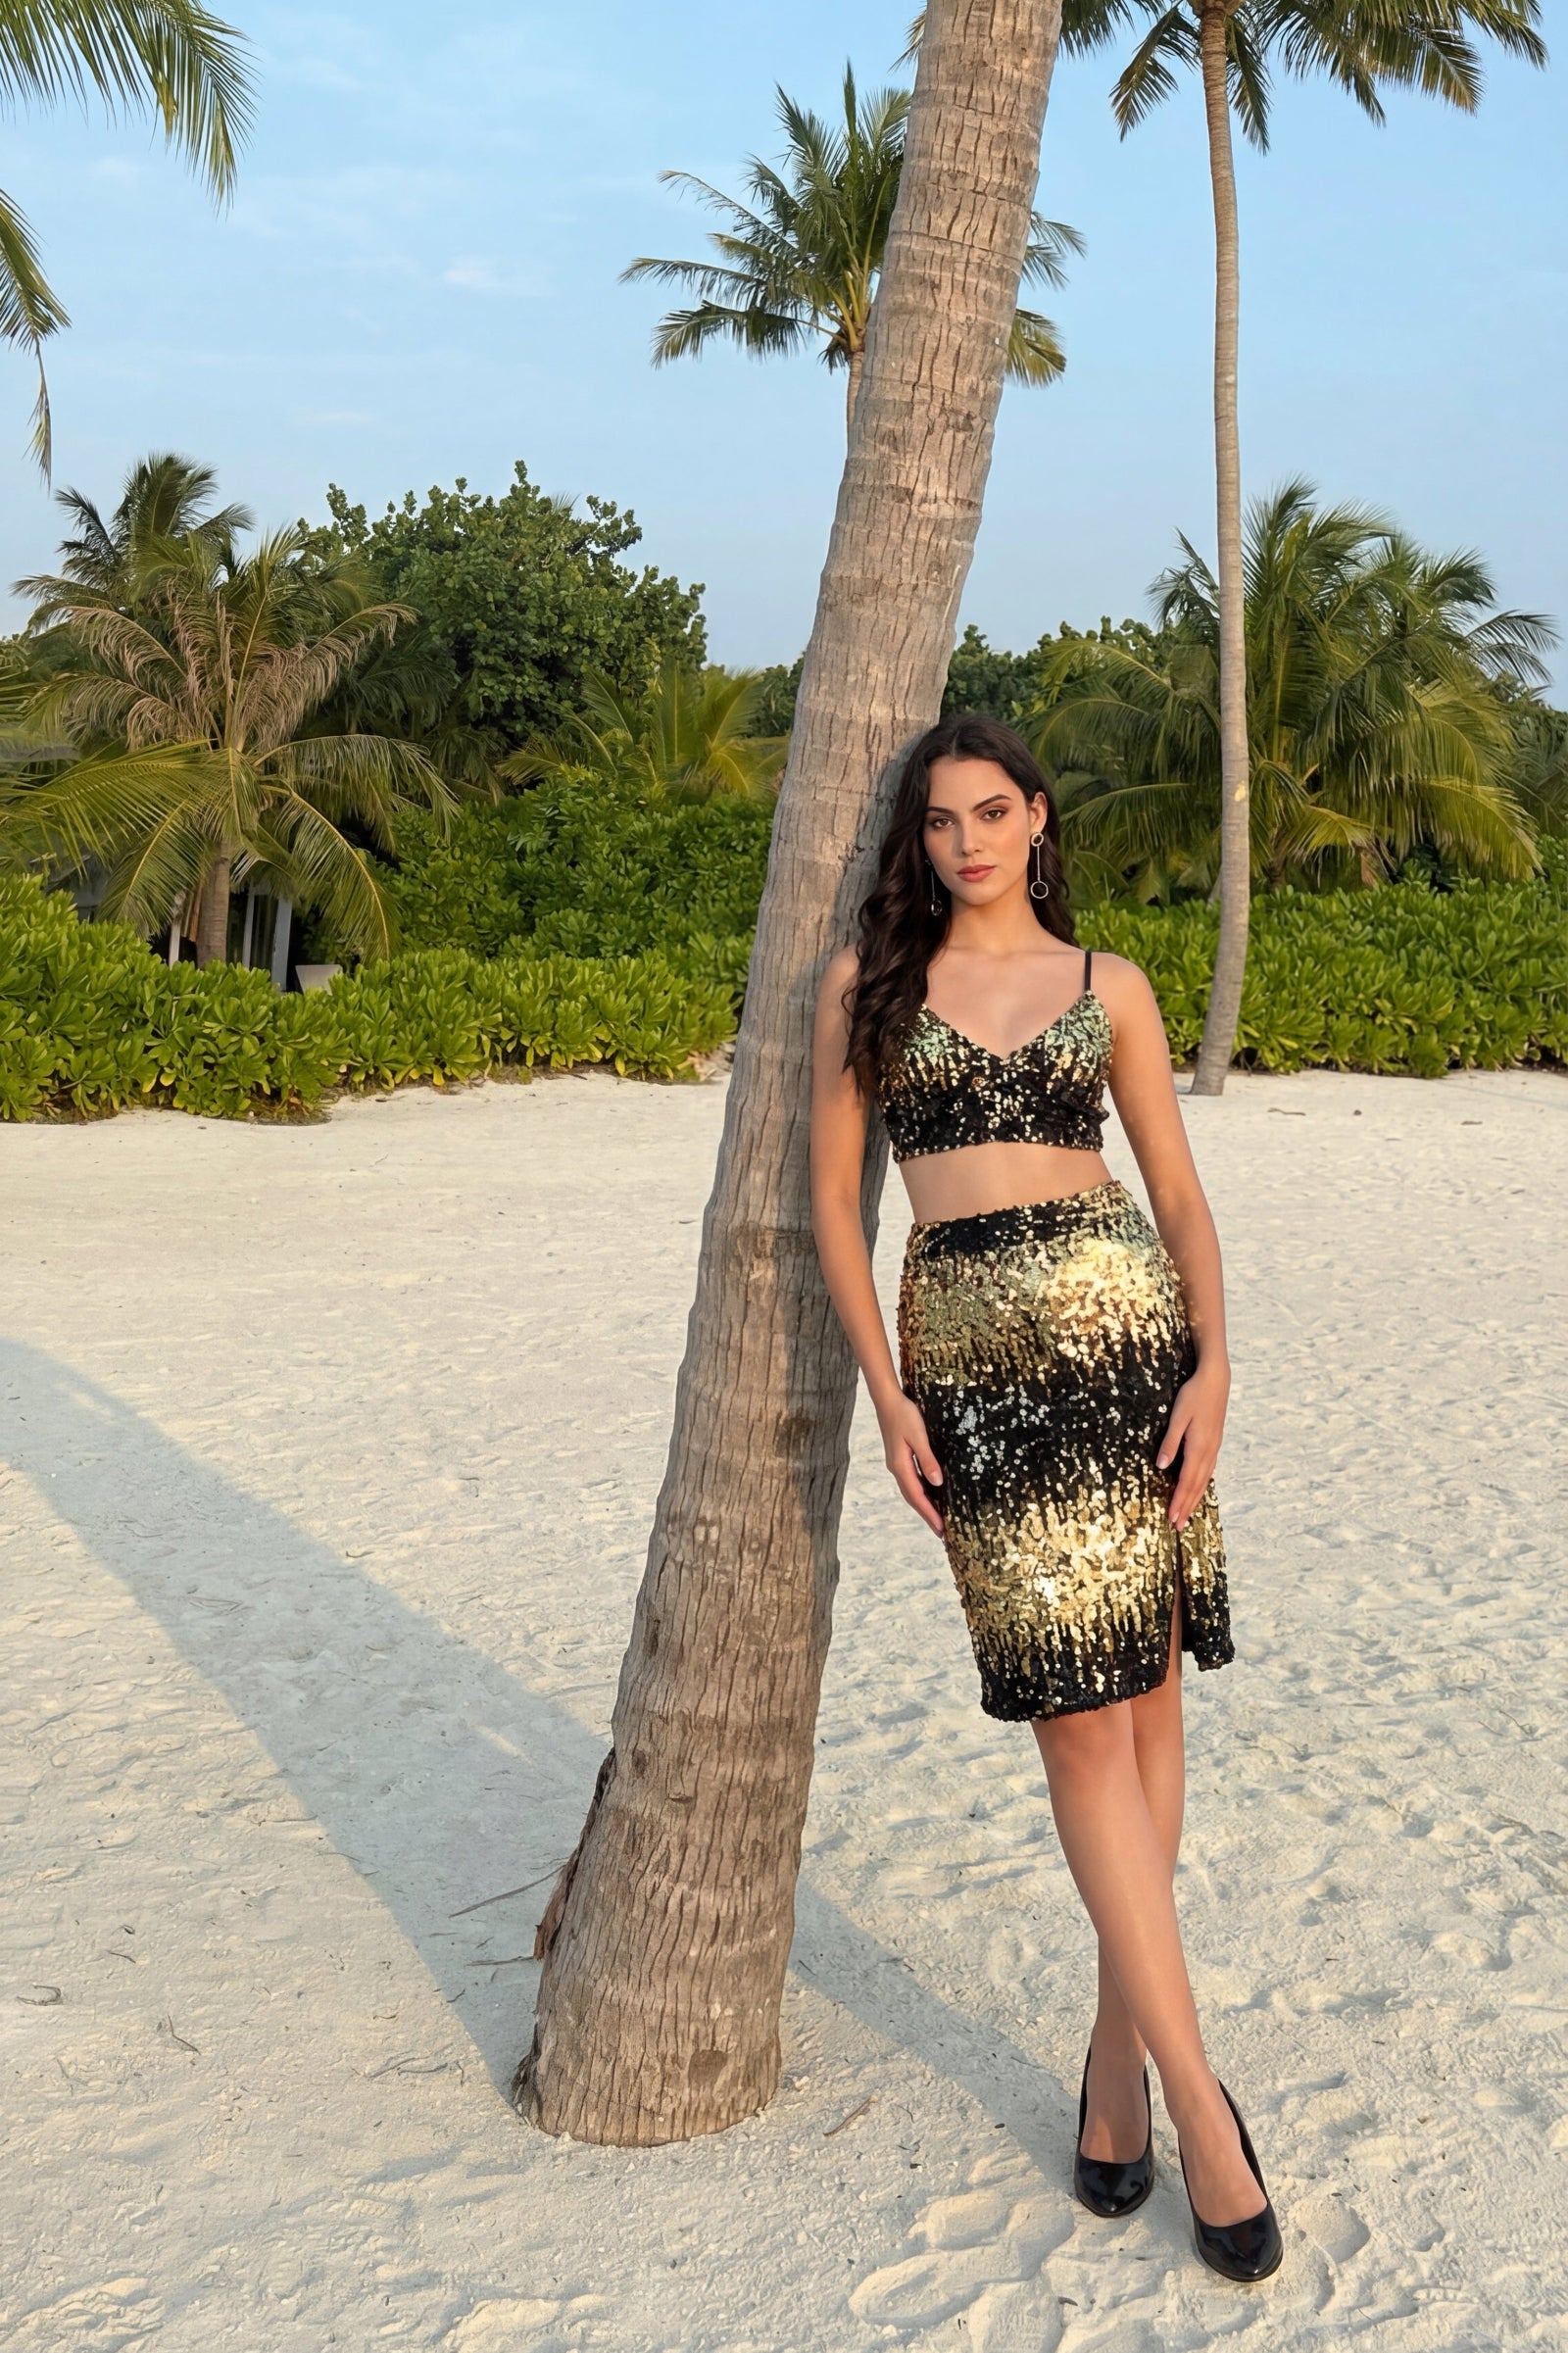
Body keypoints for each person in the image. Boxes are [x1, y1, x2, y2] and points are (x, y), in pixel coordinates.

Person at [809, 713, 1283, 2284]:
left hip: (1126, 1344)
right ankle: (1203, 2114)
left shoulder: (1112, 988)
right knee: (1078, 1722)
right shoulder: (870, 990)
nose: (967, 842)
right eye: (940, 820)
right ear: (918, 839)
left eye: (991, 811)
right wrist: (888, 1396)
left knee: (1143, 1707)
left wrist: (1214, 1368)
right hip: (977, 1376)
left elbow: (1181, 1194)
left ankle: (1113, 2059)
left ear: (1037, 817)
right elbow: (834, 1204)